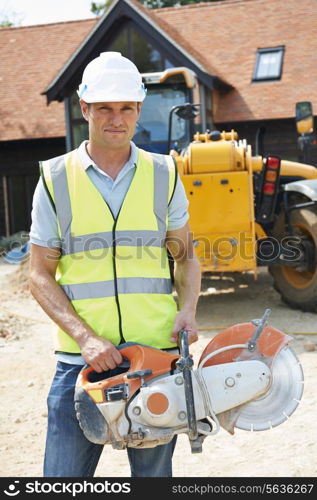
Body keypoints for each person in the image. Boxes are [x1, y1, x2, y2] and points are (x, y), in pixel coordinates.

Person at [29, 51, 201, 478]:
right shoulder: (55, 178)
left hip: (155, 360)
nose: (116, 118)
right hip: (81, 365)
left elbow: (186, 258)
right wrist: (86, 339)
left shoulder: (165, 173)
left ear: (139, 109)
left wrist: (189, 309)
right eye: (104, 107)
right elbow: (38, 274)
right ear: (85, 108)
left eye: (126, 107)